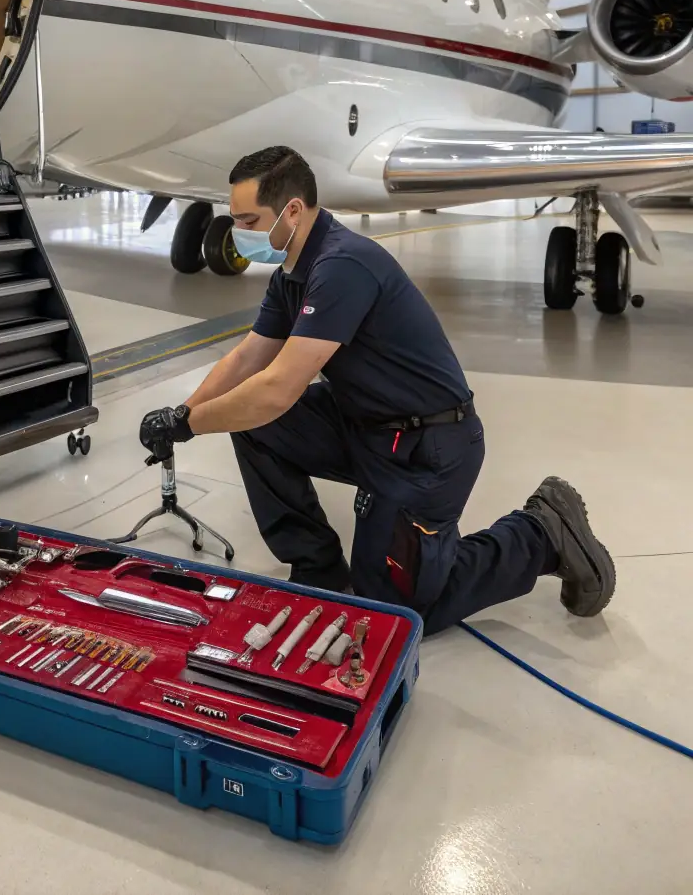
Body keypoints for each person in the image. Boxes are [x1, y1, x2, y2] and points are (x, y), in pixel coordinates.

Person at [138, 146, 615, 635]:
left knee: (392, 613)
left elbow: (277, 388)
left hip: (426, 449)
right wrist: (183, 413)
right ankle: (317, 567)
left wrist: (192, 426)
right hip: (365, 424)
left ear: (293, 211)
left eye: (249, 220)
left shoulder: (343, 265)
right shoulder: (293, 270)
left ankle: (539, 534)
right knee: (253, 420)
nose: (240, 234)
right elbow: (248, 358)